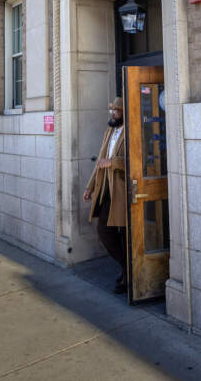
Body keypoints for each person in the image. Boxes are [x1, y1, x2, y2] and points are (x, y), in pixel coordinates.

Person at [83, 97, 128, 294]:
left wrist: (114, 163)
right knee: (104, 231)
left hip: (124, 190)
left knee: (126, 234)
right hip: (106, 189)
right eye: (111, 110)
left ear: (124, 112)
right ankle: (127, 266)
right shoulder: (109, 131)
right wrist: (90, 187)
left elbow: (135, 159)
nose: (112, 114)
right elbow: (100, 161)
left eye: (116, 111)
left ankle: (130, 275)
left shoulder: (131, 130)